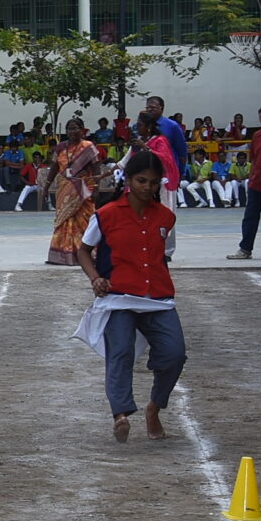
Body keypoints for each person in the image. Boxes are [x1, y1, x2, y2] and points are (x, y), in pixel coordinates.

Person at [74, 151, 187, 443]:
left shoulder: (166, 217)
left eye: (154, 182)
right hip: (119, 297)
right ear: (127, 180)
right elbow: (83, 251)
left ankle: (154, 408)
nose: (148, 187)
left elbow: (163, 256)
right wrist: (95, 278)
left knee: (174, 354)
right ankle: (120, 414)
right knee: (120, 351)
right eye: (141, 180)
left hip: (158, 298)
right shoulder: (106, 214)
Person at [46, 118, 102, 266]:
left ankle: (88, 254)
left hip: (83, 190)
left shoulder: (88, 147)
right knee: (64, 221)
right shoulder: (60, 147)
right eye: (70, 129)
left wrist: (97, 188)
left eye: (76, 128)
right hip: (64, 190)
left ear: (82, 130)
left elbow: (96, 168)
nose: (72, 132)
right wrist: (46, 186)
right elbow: (54, 167)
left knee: (85, 221)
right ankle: (63, 256)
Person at [229, 105, 261, 260]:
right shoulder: (256, 135)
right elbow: (254, 158)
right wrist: (251, 177)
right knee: (250, 217)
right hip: (256, 182)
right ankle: (245, 249)